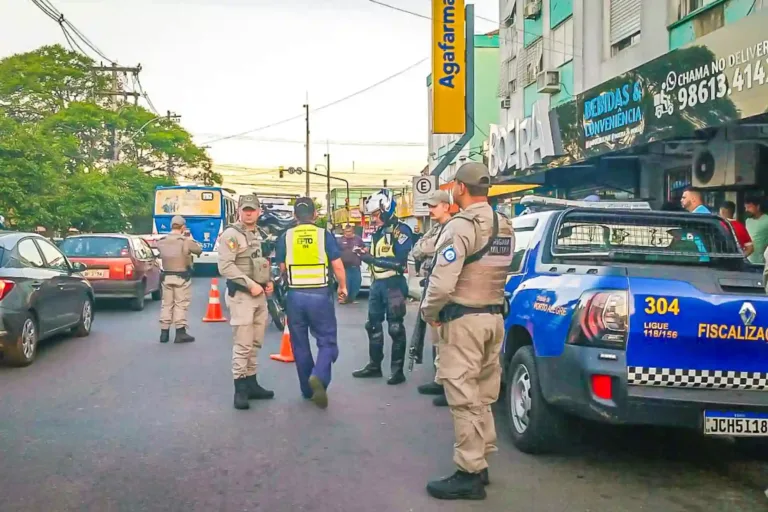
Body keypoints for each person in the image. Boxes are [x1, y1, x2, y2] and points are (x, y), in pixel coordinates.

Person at [420, 162, 514, 501]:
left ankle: (469, 473)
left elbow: (443, 282)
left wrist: (429, 312)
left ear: (460, 187)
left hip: (464, 322)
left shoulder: (460, 227)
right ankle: (481, 460)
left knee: (462, 396)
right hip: (493, 318)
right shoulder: (503, 223)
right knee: (483, 395)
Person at [275, 198, 348, 408]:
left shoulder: (285, 237)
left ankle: (307, 390)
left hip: (295, 297)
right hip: (320, 295)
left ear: (295, 216)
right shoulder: (323, 235)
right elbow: (337, 265)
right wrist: (343, 287)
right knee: (327, 341)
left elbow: (281, 268)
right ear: (315, 215)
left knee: (299, 345)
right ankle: (320, 375)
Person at [218, 194, 275, 410]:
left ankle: (252, 383)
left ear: (259, 211)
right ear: (239, 211)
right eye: (245, 209)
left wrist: (267, 281)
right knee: (243, 343)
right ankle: (240, 389)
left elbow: (259, 262)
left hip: (258, 295)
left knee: (255, 341)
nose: (249, 213)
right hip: (242, 295)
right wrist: (249, 283)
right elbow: (225, 266)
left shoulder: (258, 234)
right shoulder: (231, 235)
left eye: (252, 209)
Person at [351, 189, 414, 385]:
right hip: (377, 285)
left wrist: (372, 259)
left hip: (394, 284)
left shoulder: (401, 231)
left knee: (395, 328)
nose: (373, 220)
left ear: (387, 211)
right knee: (372, 326)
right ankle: (374, 366)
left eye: (376, 215)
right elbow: (378, 255)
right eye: (372, 216)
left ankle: (397, 371)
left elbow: (400, 263)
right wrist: (365, 253)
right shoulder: (378, 233)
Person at [411, 190, 452, 407]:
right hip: (430, 283)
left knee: (446, 339)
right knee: (436, 338)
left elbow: (427, 247)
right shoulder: (435, 228)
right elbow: (418, 249)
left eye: (434, 205)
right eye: (429, 206)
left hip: (443, 287)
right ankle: (439, 379)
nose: (430, 210)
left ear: (446, 206)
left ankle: (449, 385)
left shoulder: (452, 228)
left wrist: (425, 248)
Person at [156, 215, 202, 344]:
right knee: (181, 304)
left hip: (166, 276)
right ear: (183, 227)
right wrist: (190, 237)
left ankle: (164, 333)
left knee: (166, 304)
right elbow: (198, 250)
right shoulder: (185, 241)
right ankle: (180, 332)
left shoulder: (162, 240)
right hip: (182, 277)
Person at [338, 224, 365, 304]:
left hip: (355, 266)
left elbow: (365, 248)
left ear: (352, 231)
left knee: (356, 283)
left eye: (349, 231)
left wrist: (361, 250)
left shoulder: (358, 239)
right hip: (344, 267)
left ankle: (351, 299)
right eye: (346, 231)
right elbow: (336, 252)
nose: (348, 233)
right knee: (345, 283)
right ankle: (343, 299)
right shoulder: (340, 240)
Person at [745, 196, 768, 265]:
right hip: (748, 261)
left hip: (762, 263)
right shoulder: (748, 221)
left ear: (758, 207)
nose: (746, 210)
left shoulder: (766, 220)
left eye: (749, 207)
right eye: (745, 207)